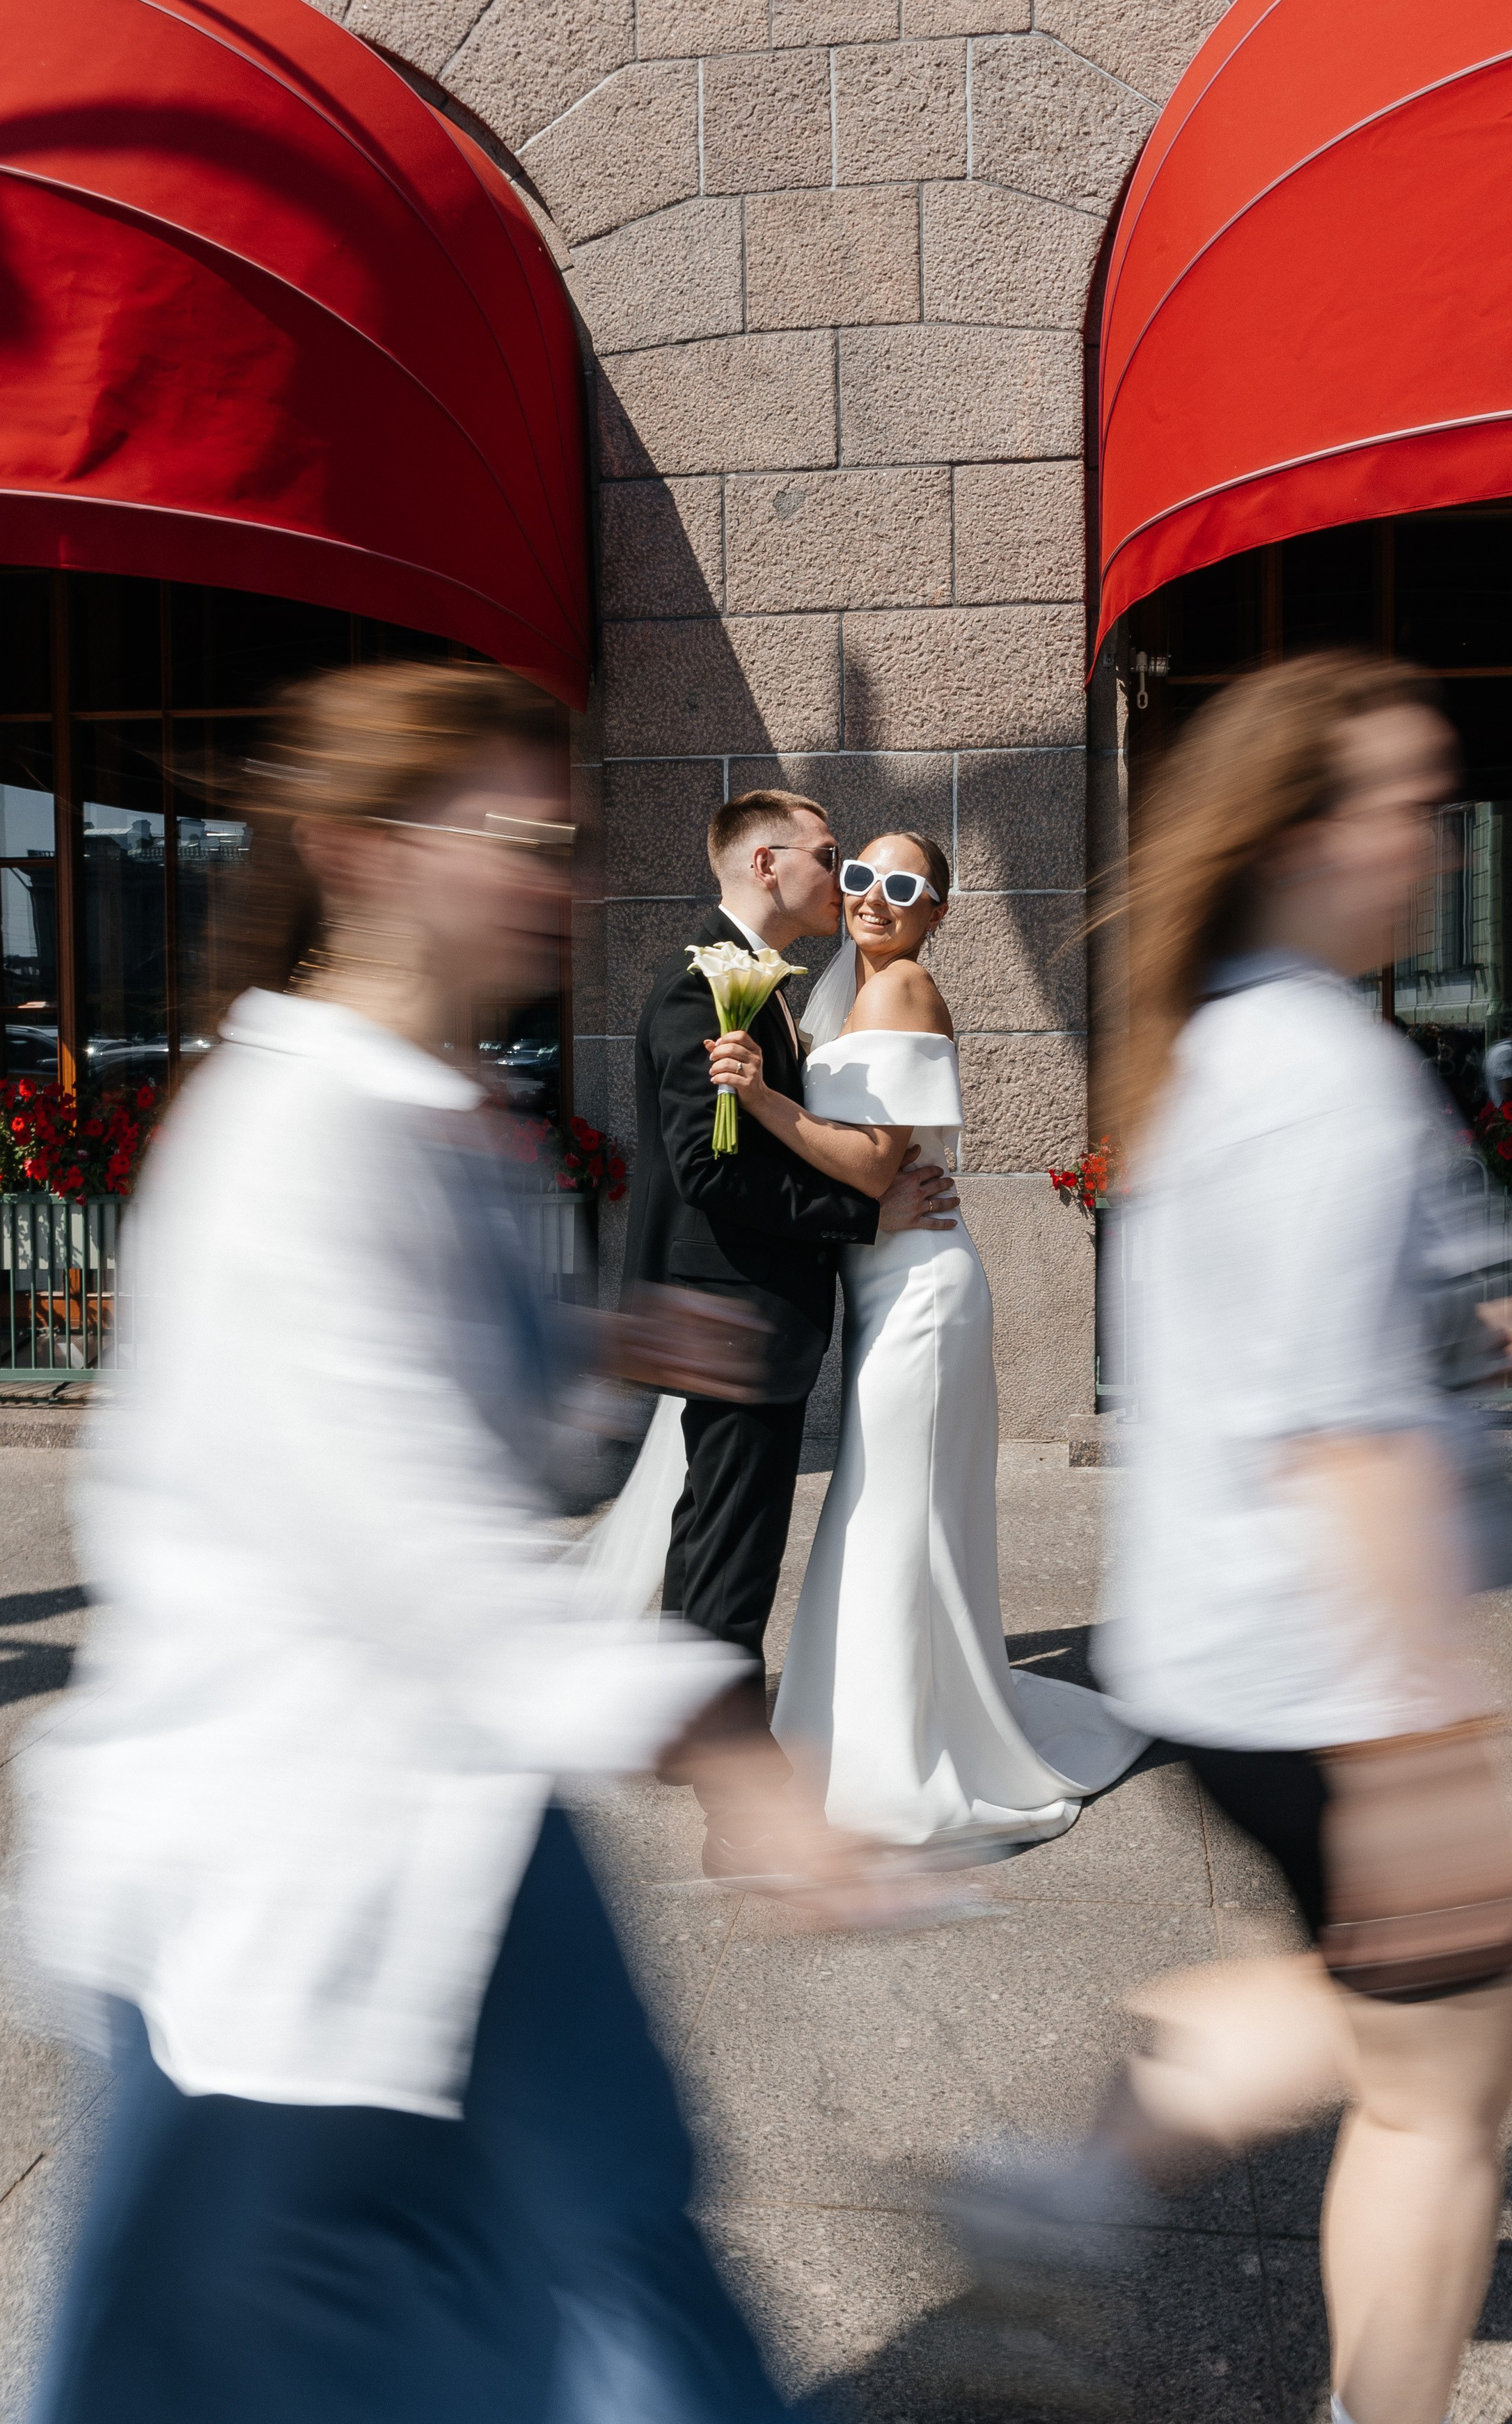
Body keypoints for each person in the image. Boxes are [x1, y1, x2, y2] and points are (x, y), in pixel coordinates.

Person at [21, 664, 881, 2424]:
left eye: (560, 839)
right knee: (479, 2298)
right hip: (301, 1831)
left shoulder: (430, 1108)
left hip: (436, 1812)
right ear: (358, 851)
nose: (555, 877)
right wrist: (721, 1740)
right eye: (517, 838)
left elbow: (446, 1400)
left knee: (600, 2258)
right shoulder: (292, 1138)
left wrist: (604, 1349)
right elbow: (409, 1539)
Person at [940, 652, 1512, 2424]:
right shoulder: (1325, 1072)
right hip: (1326, 1672)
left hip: (1222, 1657)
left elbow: (1300, 1352)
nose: (1439, 846)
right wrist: (1428, 1744)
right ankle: (1098, 2210)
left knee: (1391, 2029)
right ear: (1303, 835)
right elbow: (1337, 1430)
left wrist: (1478, 1328)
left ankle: (1068, 2186)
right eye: (1410, 807)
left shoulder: (1225, 1041)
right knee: (1435, 2090)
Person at [707, 831, 1147, 1846]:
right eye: (858, 876)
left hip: (921, 1300)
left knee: (897, 1519)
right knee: (892, 1514)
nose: (872, 896)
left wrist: (760, 1095)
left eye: (902, 886)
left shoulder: (900, 988)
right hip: (890, 1290)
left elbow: (869, 1167)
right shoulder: (850, 994)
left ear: (937, 911)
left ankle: (900, 1756)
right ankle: (887, 1730)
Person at [622, 789, 958, 1875]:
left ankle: (681, 1728)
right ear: (768, 864)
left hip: (732, 1304)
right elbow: (712, 1172)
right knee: (734, 1554)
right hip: (732, 1307)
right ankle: (742, 1815)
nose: (846, 875)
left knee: (708, 1527)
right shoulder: (700, 993)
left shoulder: (754, 988)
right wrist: (864, 1212)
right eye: (831, 856)